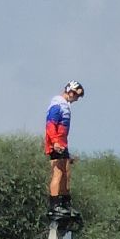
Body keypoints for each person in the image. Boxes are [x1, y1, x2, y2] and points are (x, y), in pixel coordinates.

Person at [44, 80, 84, 226]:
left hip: (62, 144)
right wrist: (54, 142)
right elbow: (50, 124)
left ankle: (65, 203)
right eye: (76, 95)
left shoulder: (65, 106)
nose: (76, 99)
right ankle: (54, 204)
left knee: (67, 173)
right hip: (56, 144)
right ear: (70, 91)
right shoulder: (58, 104)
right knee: (58, 173)